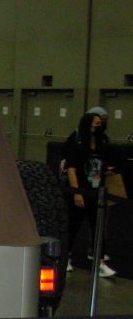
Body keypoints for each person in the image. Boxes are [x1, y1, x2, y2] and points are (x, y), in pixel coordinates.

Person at [62, 108, 116, 277]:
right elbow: (71, 169)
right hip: (80, 191)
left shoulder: (102, 144)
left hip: (96, 192)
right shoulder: (77, 144)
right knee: (73, 227)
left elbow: (103, 164)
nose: (98, 127)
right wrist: (77, 192)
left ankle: (99, 262)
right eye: (95, 124)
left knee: (97, 228)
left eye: (100, 124)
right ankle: (65, 258)